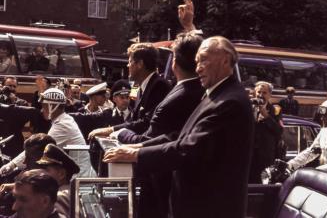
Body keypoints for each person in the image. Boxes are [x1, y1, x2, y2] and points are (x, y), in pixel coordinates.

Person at [103, 36, 254, 218]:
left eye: (204, 60)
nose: (198, 68)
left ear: (225, 60)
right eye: (197, 61)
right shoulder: (216, 95)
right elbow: (180, 136)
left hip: (209, 209)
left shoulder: (230, 102)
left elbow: (189, 149)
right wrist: (139, 146)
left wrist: (135, 154)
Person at [88, 43, 171, 138]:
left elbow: (146, 123)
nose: (128, 65)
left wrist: (111, 130)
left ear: (140, 64)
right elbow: (134, 121)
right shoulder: (142, 88)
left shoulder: (159, 86)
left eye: (130, 62)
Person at [287, 99, 327, 172]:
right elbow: (311, 152)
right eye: (322, 115)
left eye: (326, 116)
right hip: (323, 175)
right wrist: (290, 164)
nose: (322, 118)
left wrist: (320, 169)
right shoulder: (324, 130)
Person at [249, 81, 283, 183]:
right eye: (259, 92)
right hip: (250, 157)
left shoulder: (276, 110)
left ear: (269, 95)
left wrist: (266, 116)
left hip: (265, 158)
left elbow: (279, 131)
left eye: (264, 93)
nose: (261, 95)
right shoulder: (249, 107)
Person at [36, 143, 80, 218]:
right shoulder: (68, 190)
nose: (41, 174)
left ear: (61, 174)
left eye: (46, 170)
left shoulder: (58, 197)